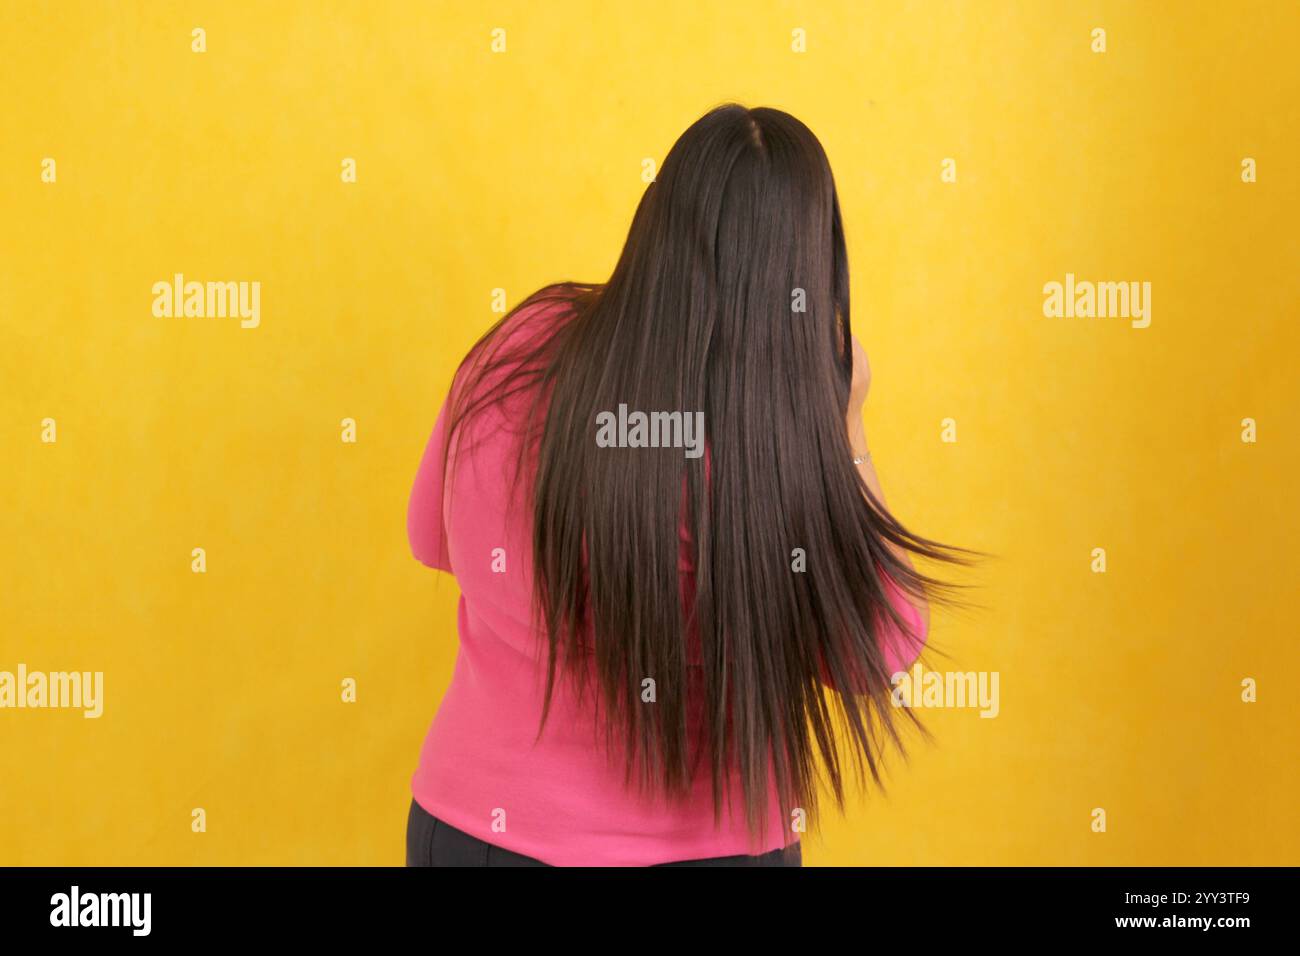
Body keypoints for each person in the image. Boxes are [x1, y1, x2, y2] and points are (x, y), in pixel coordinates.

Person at [405, 103, 963, 867]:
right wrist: (850, 422)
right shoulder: (778, 437)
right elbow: (878, 651)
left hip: (472, 833)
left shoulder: (520, 343)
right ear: (807, 267)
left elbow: (430, 539)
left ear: (655, 219)